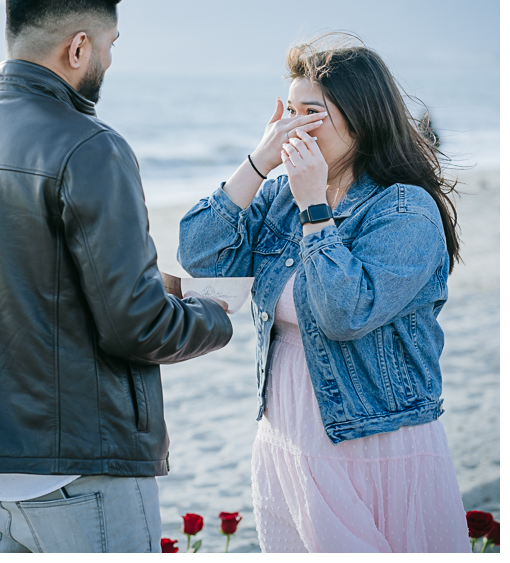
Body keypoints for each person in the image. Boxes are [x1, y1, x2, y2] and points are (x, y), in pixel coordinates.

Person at [0, 0, 232, 553]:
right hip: (83, 467)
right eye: (110, 43)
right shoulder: (91, 148)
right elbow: (138, 328)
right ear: (78, 48)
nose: (110, 59)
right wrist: (217, 316)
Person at [178, 36, 471, 553]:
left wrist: (315, 206)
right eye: (289, 111)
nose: (295, 126)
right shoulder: (279, 195)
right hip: (288, 437)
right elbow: (202, 257)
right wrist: (258, 161)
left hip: (372, 442)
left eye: (311, 112)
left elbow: (343, 311)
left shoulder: (404, 210)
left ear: (360, 118)